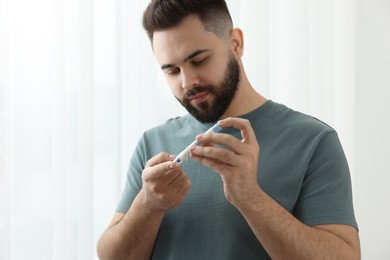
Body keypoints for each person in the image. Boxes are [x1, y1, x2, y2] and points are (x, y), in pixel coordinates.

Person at [97, 0, 360, 259]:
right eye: (172, 71)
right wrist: (147, 205)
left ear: (236, 43)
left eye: (199, 60)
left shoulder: (312, 141)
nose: (187, 82)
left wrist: (250, 198)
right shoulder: (153, 143)